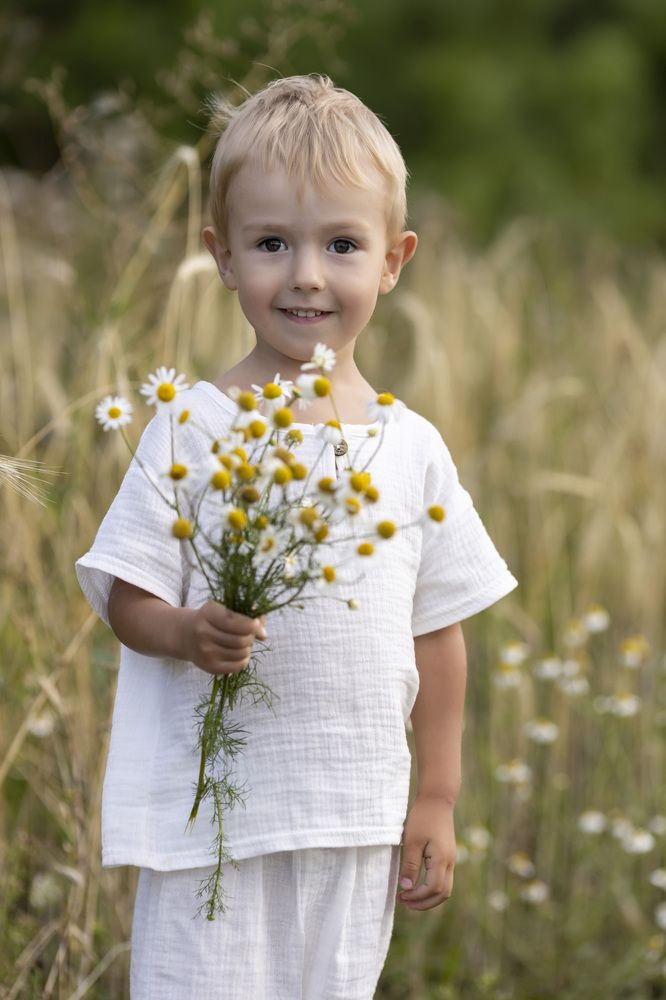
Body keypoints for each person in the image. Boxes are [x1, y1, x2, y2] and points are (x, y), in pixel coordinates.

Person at [76, 74, 518, 999]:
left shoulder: (408, 446)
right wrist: (186, 632)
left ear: (393, 260)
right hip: (218, 828)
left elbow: (438, 633)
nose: (307, 273)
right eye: (272, 242)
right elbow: (125, 593)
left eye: (342, 245)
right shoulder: (190, 424)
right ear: (222, 256)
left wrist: (434, 796)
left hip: (355, 816)